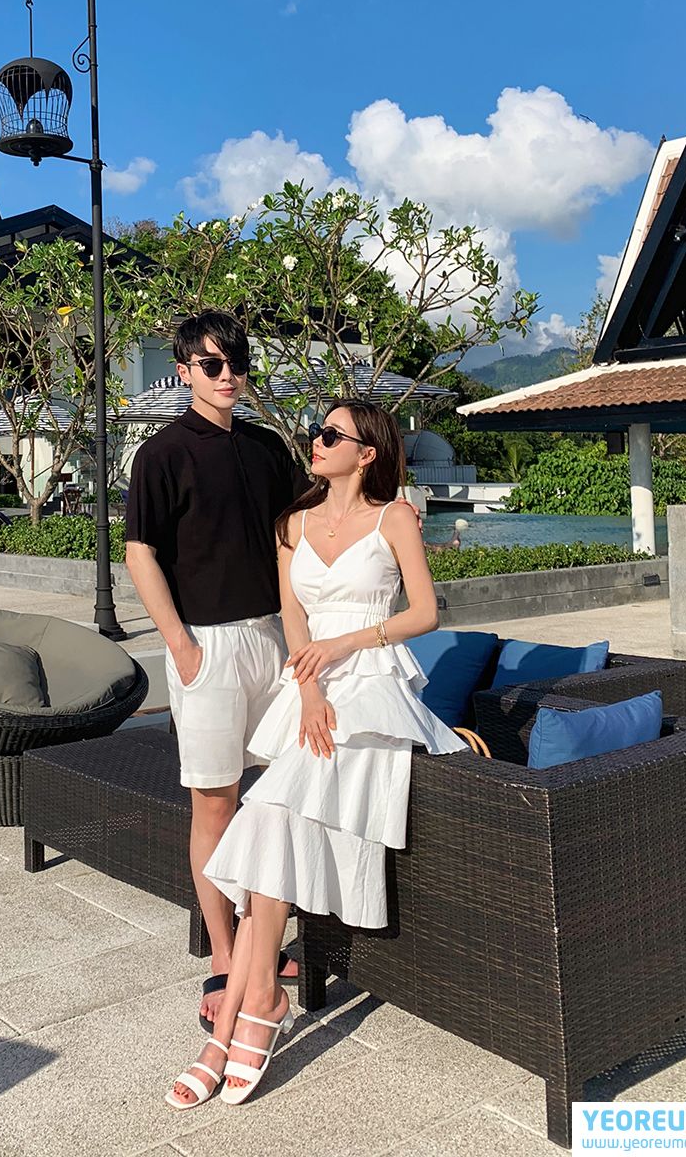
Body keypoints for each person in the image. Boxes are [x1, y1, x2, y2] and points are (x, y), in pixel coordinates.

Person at [166, 400, 468, 1110]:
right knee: (273, 822)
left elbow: (425, 613)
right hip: (311, 691)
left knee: (271, 818)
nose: (316, 441)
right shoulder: (291, 525)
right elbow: (292, 617)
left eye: (331, 434)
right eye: (316, 431)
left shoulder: (395, 518)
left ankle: (232, 1027)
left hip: (371, 690)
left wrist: (345, 645)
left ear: (367, 453)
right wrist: (306, 691)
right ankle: (257, 1005)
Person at [125, 312, 307, 1030]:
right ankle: (227, 957)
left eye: (236, 363)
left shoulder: (267, 448)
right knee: (215, 801)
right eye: (211, 364)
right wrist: (180, 645)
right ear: (184, 371)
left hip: (273, 640)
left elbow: (299, 535)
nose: (227, 375)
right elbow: (140, 552)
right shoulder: (162, 454)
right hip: (206, 644)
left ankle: (265, 944)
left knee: (285, 793)